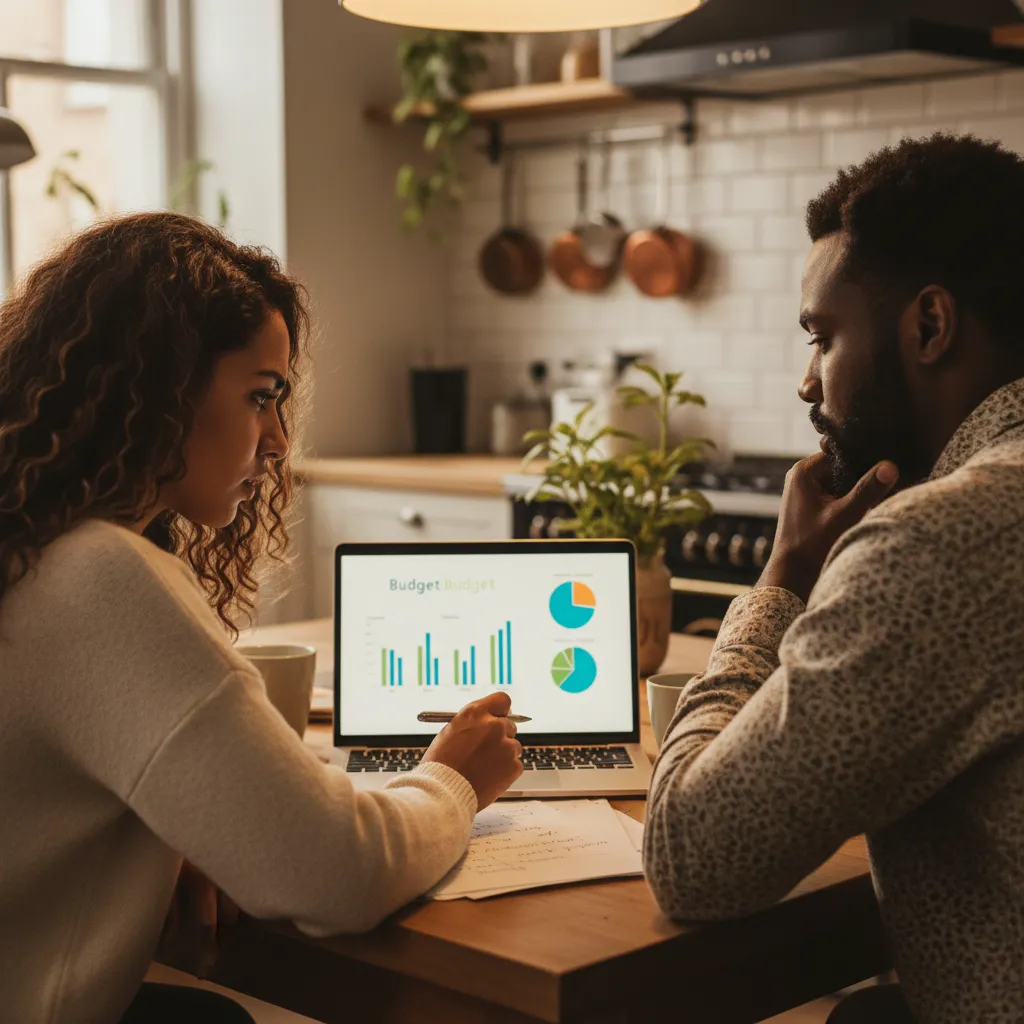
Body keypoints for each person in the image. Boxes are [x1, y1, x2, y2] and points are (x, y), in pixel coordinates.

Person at [0, 212, 524, 1024]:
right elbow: (339, 873)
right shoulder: (98, 575)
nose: (279, 441)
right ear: (156, 388)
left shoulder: (30, 546)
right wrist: (454, 778)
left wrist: (172, 833)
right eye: (260, 396)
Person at [643, 132, 1024, 1024]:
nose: (808, 383)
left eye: (823, 336)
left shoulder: (939, 546)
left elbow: (692, 855)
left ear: (929, 325)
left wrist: (780, 578)